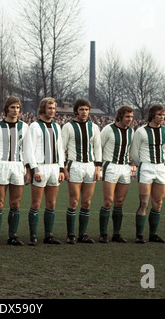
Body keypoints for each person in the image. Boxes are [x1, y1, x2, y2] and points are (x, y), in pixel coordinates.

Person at [0, 96, 30, 246]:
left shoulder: (25, 127)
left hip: (18, 166)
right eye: (12, 107)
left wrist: (28, 170)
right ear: (7, 109)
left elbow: (27, 150)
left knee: (15, 204)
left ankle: (13, 235)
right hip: (2, 166)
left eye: (18, 107)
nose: (15, 110)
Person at [24, 97, 65, 245]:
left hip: (54, 168)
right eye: (49, 108)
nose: (52, 111)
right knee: (36, 203)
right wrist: (35, 169)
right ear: (42, 109)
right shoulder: (34, 126)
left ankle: (49, 235)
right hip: (40, 167)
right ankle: (33, 235)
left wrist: (61, 168)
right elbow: (29, 149)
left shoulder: (57, 127)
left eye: (54, 108)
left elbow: (60, 148)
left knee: (51, 203)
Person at [61, 98, 102, 244]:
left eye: (86, 109)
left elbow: (97, 148)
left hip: (90, 166)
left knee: (86, 202)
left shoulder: (94, 127)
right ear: (76, 111)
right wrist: (63, 168)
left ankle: (82, 234)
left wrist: (98, 168)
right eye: (81, 109)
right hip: (75, 166)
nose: (84, 112)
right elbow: (62, 148)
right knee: (74, 201)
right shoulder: (68, 127)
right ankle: (70, 234)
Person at [130, 104, 165, 243]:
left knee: (158, 203)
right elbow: (134, 153)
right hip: (146, 168)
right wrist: (142, 164)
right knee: (144, 202)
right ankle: (139, 235)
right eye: (159, 115)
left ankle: (153, 234)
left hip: (160, 168)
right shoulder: (141, 132)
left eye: (163, 115)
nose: (162, 117)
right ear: (152, 115)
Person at [98, 105, 135, 243]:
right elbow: (98, 147)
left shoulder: (131, 131)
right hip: (110, 166)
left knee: (119, 202)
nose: (129, 119)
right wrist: (98, 165)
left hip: (125, 168)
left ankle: (116, 234)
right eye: (127, 116)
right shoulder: (108, 129)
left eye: (131, 117)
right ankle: (103, 234)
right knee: (108, 201)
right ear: (120, 116)